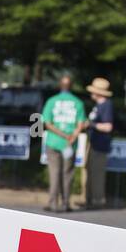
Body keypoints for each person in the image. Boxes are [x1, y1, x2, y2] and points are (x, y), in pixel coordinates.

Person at [41, 74, 86, 212]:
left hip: (53, 142)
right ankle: (66, 203)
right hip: (69, 144)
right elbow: (80, 124)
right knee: (68, 173)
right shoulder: (78, 103)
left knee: (54, 172)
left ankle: (53, 202)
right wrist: (72, 136)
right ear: (71, 86)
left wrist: (62, 134)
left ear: (60, 85)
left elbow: (47, 123)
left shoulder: (51, 101)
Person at [80, 76, 114, 209]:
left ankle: (97, 200)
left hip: (100, 145)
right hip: (93, 143)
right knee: (88, 170)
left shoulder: (106, 105)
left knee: (97, 173)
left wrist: (91, 125)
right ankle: (87, 198)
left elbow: (108, 127)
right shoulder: (98, 106)